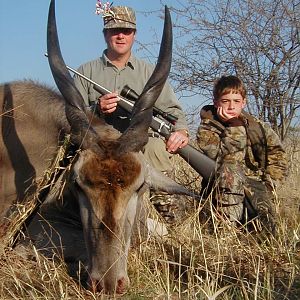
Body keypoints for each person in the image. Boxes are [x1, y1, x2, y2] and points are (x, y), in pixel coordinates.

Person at [73, 3, 190, 223]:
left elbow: (174, 112)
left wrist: (181, 131)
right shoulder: (85, 72)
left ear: (134, 34)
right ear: (105, 34)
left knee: (156, 147)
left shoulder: (149, 72)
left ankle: (171, 219)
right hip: (99, 147)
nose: (120, 36)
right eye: (114, 30)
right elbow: (71, 116)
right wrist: (96, 109)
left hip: (136, 145)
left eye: (126, 30)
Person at [196, 75, 287, 233]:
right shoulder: (207, 130)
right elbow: (230, 162)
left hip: (254, 188)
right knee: (230, 173)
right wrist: (235, 126)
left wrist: (269, 187)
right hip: (221, 190)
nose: (231, 106)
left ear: (243, 102)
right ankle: (225, 232)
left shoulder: (258, 127)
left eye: (236, 101)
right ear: (216, 102)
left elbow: (277, 157)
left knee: (267, 233)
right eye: (225, 101)